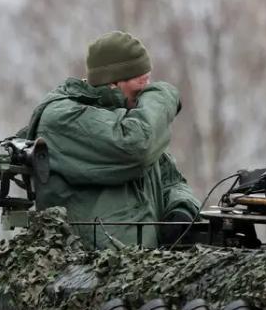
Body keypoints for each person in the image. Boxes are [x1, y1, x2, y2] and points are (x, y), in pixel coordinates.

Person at [19, 31, 199, 248]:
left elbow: (171, 180)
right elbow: (136, 147)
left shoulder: (128, 116)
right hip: (88, 263)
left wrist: (181, 209)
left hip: (145, 262)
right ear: (112, 82)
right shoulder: (62, 118)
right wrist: (163, 95)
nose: (147, 91)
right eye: (139, 87)